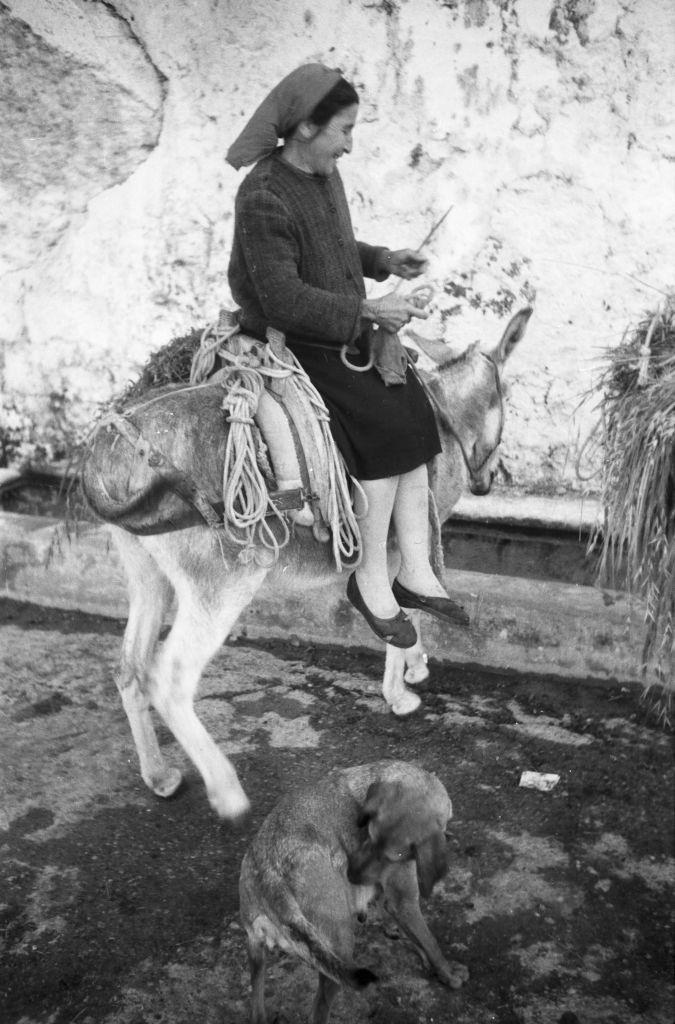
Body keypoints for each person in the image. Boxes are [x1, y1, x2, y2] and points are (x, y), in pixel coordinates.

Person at [227, 63, 466, 648]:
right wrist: (368, 312)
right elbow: (282, 298)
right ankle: (370, 580)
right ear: (307, 127)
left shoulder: (323, 174)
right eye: (344, 130)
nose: (350, 144)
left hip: (343, 330)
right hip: (294, 342)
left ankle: (414, 572)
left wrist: (384, 260)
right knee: (383, 434)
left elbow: (333, 249)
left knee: (415, 418)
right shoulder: (262, 196)